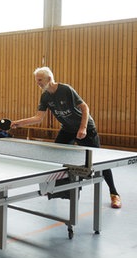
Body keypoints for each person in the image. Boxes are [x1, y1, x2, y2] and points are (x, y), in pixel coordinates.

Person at [11, 66, 121, 209]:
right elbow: (38, 118)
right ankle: (55, 189)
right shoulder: (45, 96)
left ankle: (114, 194)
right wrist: (18, 123)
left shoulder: (65, 89)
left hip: (86, 128)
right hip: (67, 130)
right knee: (55, 157)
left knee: (99, 162)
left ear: (49, 79)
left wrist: (83, 128)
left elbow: (85, 108)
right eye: (36, 80)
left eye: (40, 80)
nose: (37, 83)